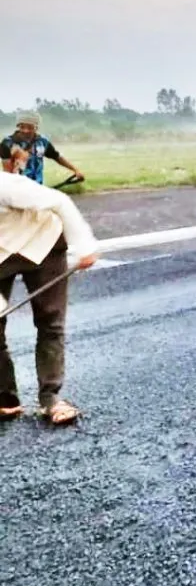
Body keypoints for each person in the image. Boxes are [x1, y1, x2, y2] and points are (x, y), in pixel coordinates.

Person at [0, 167, 100, 424]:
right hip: (2, 253)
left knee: (50, 320)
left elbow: (60, 201)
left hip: (42, 242)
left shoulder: (7, 186)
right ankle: (6, 398)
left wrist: (84, 246)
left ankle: (51, 399)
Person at [1, 110, 84, 185]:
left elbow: (57, 157)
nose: (25, 130)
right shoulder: (7, 143)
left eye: (30, 127)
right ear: (18, 126)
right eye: (22, 127)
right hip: (17, 188)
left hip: (37, 187)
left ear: (36, 127)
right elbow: (7, 173)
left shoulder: (42, 142)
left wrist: (75, 170)